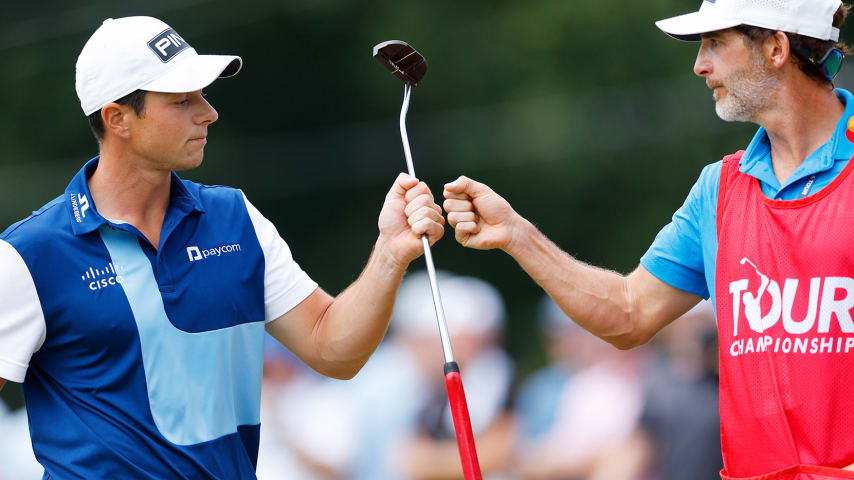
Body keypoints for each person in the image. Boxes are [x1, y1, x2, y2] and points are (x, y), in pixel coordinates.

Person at [0, 16, 444, 479]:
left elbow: (334, 349)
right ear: (118, 119)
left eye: (203, 95)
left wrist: (390, 253)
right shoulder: (29, 255)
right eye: (183, 100)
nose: (207, 112)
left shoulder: (235, 219)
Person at [442, 0, 854, 478]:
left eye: (715, 43)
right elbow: (629, 314)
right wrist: (518, 236)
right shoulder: (720, 188)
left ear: (776, 48)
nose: (700, 65)